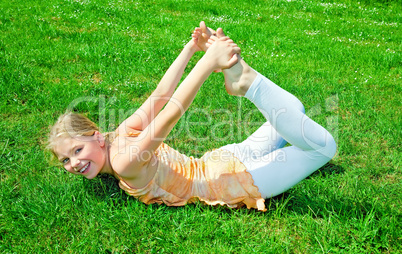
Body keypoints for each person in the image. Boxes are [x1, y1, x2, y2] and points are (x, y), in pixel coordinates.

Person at [47, 22, 336, 212]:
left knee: (323, 146)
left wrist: (195, 50)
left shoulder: (123, 159)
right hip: (224, 164)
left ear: (97, 137)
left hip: (226, 179)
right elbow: (164, 99)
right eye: (65, 160)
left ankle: (246, 82)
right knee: (294, 113)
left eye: (76, 150)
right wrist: (204, 57)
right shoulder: (122, 138)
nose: (74, 163)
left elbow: (166, 102)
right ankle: (246, 82)